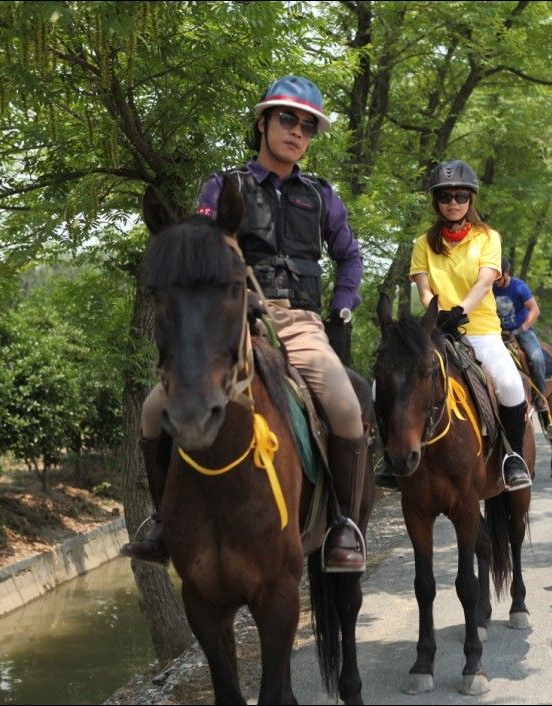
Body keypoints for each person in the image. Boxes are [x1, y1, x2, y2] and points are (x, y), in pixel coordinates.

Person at [122, 76, 368, 573]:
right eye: (286, 119)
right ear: (262, 122)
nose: (296, 132)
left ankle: (343, 523)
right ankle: (163, 521)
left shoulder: (322, 196)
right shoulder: (224, 185)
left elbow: (350, 257)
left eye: (307, 126)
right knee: (152, 412)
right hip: (238, 322)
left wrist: (342, 305)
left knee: (345, 406)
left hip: (300, 323)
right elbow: (205, 244)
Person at [408, 159, 532, 491]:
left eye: (460, 196)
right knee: (388, 385)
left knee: (509, 384)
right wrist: (436, 313)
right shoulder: (423, 243)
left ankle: (513, 458)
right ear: (436, 201)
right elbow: (423, 288)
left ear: (470, 199)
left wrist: (460, 311)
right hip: (438, 330)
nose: (453, 202)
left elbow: (485, 282)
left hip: (480, 330)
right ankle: (393, 458)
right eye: (446, 196)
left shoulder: (488, 237)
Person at [493, 257, 552, 438]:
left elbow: (535, 310)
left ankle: (540, 397)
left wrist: (521, 329)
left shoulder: (519, 287)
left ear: (507, 272)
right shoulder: (488, 288)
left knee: (536, 358)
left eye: (499, 277)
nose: (496, 281)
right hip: (498, 333)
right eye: (494, 277)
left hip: (523, 332)